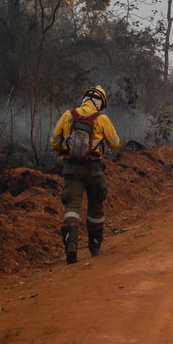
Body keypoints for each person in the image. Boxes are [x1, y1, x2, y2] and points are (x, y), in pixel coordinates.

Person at [49, 85, 121, 263]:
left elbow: (54, 142)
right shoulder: (102, 119)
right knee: (96, 208)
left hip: (72, 169)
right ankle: (95, 248)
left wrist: (63, 151)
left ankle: (71, 246)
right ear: (100, 103)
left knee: (72, 208)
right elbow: (115, 144)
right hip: (94, 169)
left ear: (84, 99)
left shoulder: (68, 116)